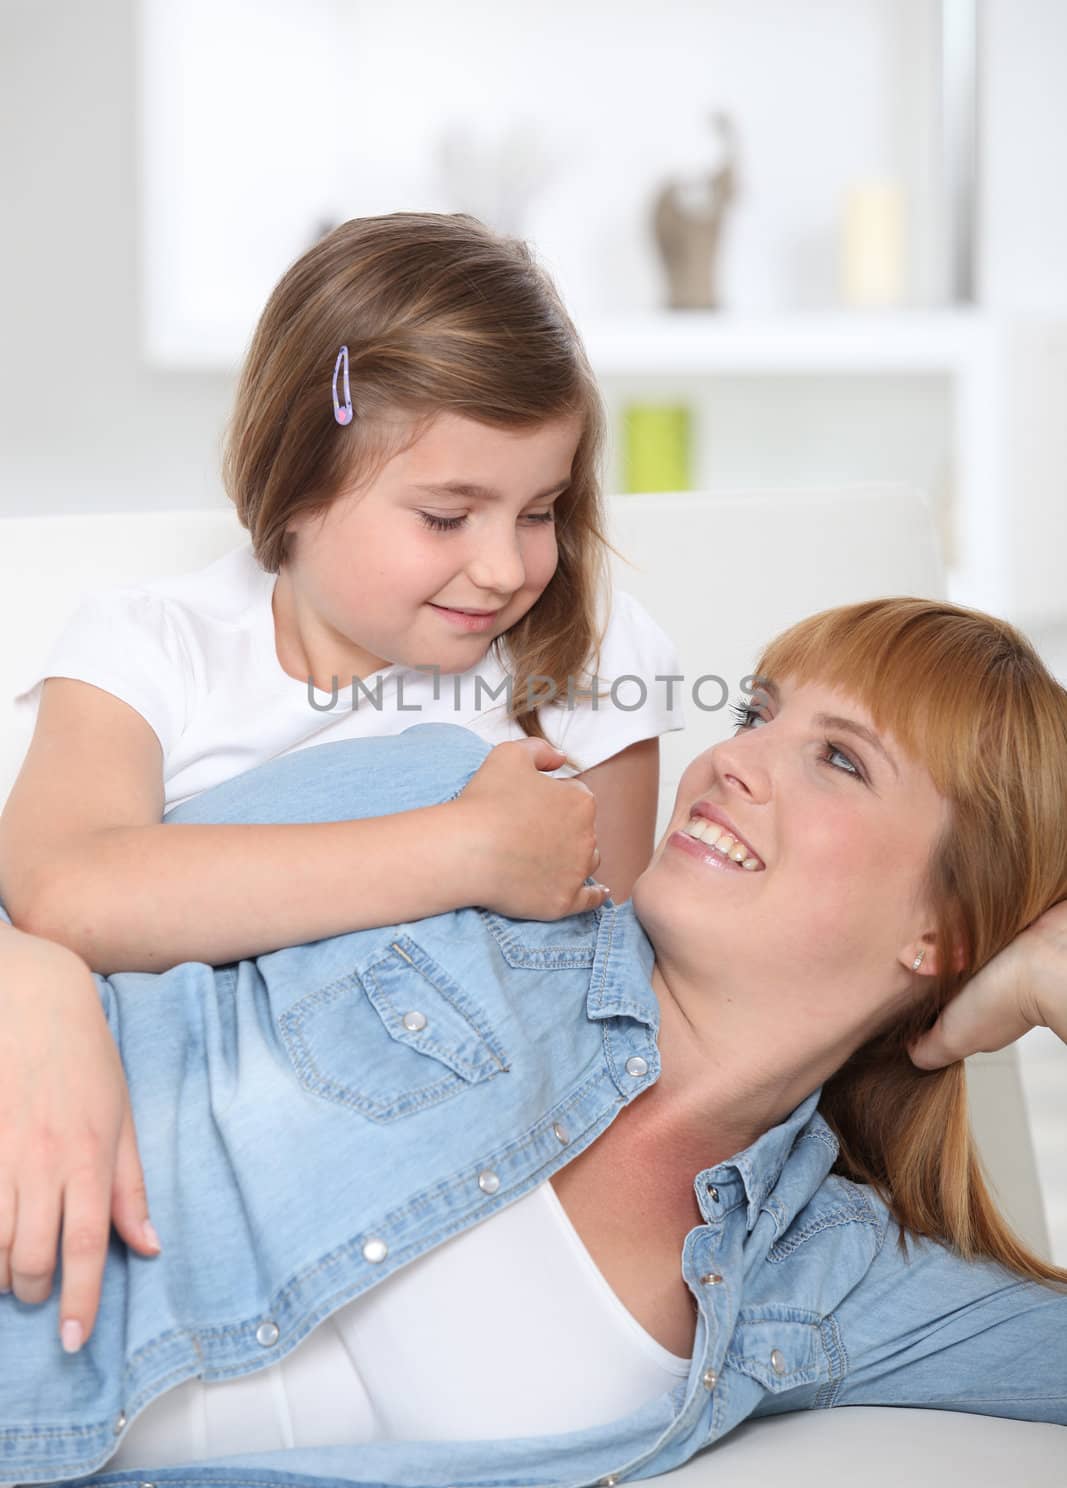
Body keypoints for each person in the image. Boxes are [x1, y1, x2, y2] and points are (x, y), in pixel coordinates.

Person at [0, 596, 1064, 1487]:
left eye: (837, 758)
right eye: (754, 712)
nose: (733, 757)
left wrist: (1040, 985)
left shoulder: (820, 1272)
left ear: (942, 928)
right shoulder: (458, 816)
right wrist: (28, 972)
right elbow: (62, 891)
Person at [0, 213, 682, 1337]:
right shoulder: (150, 647)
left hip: (434, 1179)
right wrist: (463, 850)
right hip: (172, 1138)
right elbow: (67, 892)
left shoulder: (583, 658)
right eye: (446, 514)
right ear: (296, 480)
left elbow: (598, 1004)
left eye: (541, 511)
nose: (504, 565)